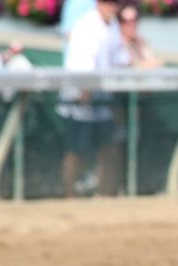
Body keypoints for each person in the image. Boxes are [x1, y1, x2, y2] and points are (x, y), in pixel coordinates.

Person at [58, 0, 122, 198]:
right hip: (79, 97)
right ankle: (69, 194)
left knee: (108, 147)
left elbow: (119, 60)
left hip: (101, 97)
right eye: (108, 2)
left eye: (115, 3)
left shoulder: (113, 26)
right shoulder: (87, 25)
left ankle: (105, 194)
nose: (112, 7)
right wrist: (84, 96)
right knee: (76, 150)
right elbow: (82, 66)